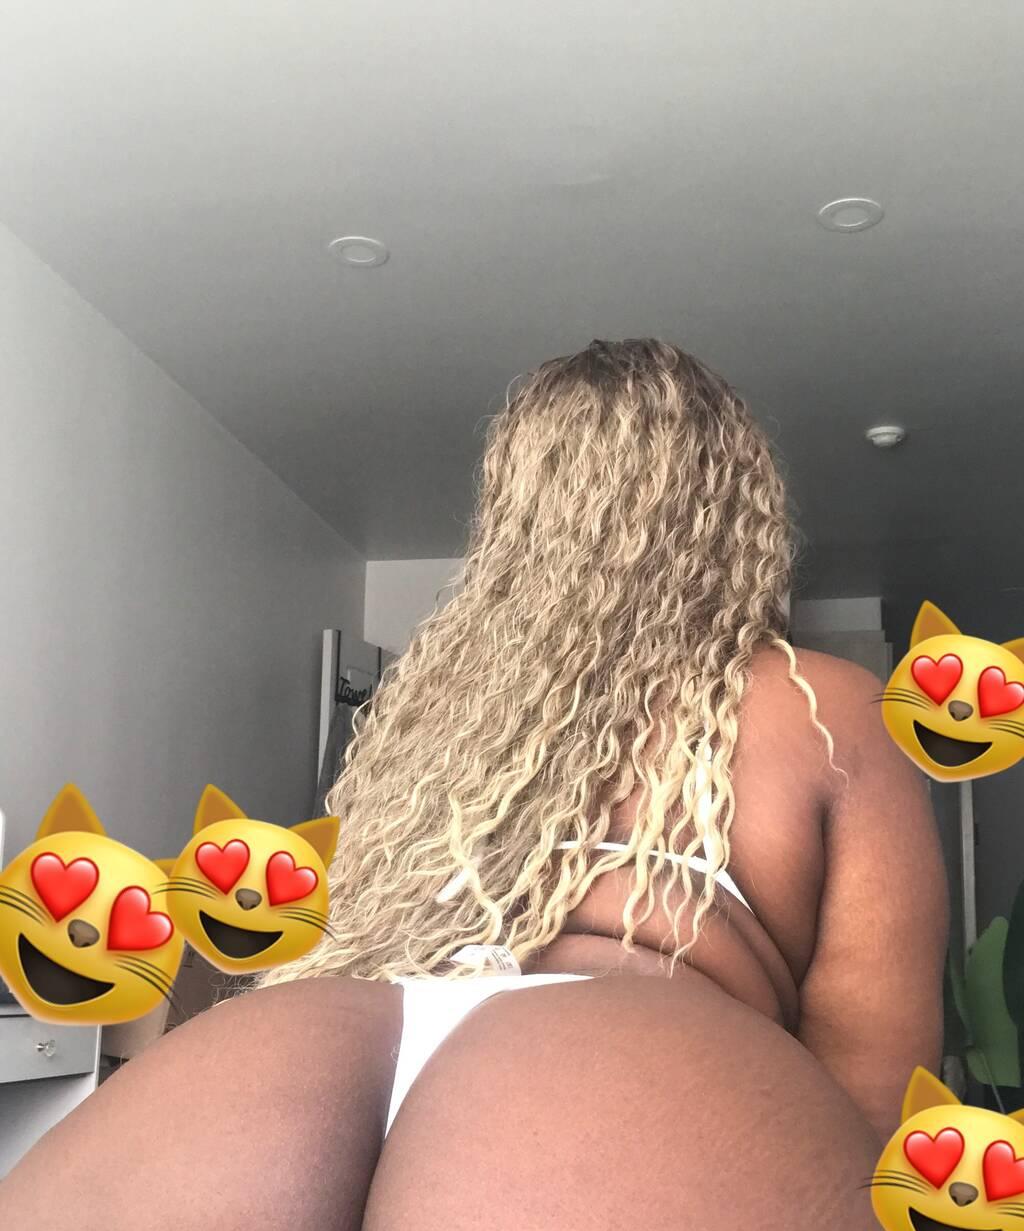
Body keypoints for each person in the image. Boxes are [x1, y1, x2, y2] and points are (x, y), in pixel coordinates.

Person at [0, 339, 949, 1230]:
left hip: (320, 1044)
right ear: (735, 512)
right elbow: (873, 1098)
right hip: (625, 1061)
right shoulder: (823, 704)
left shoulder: (439, 708)